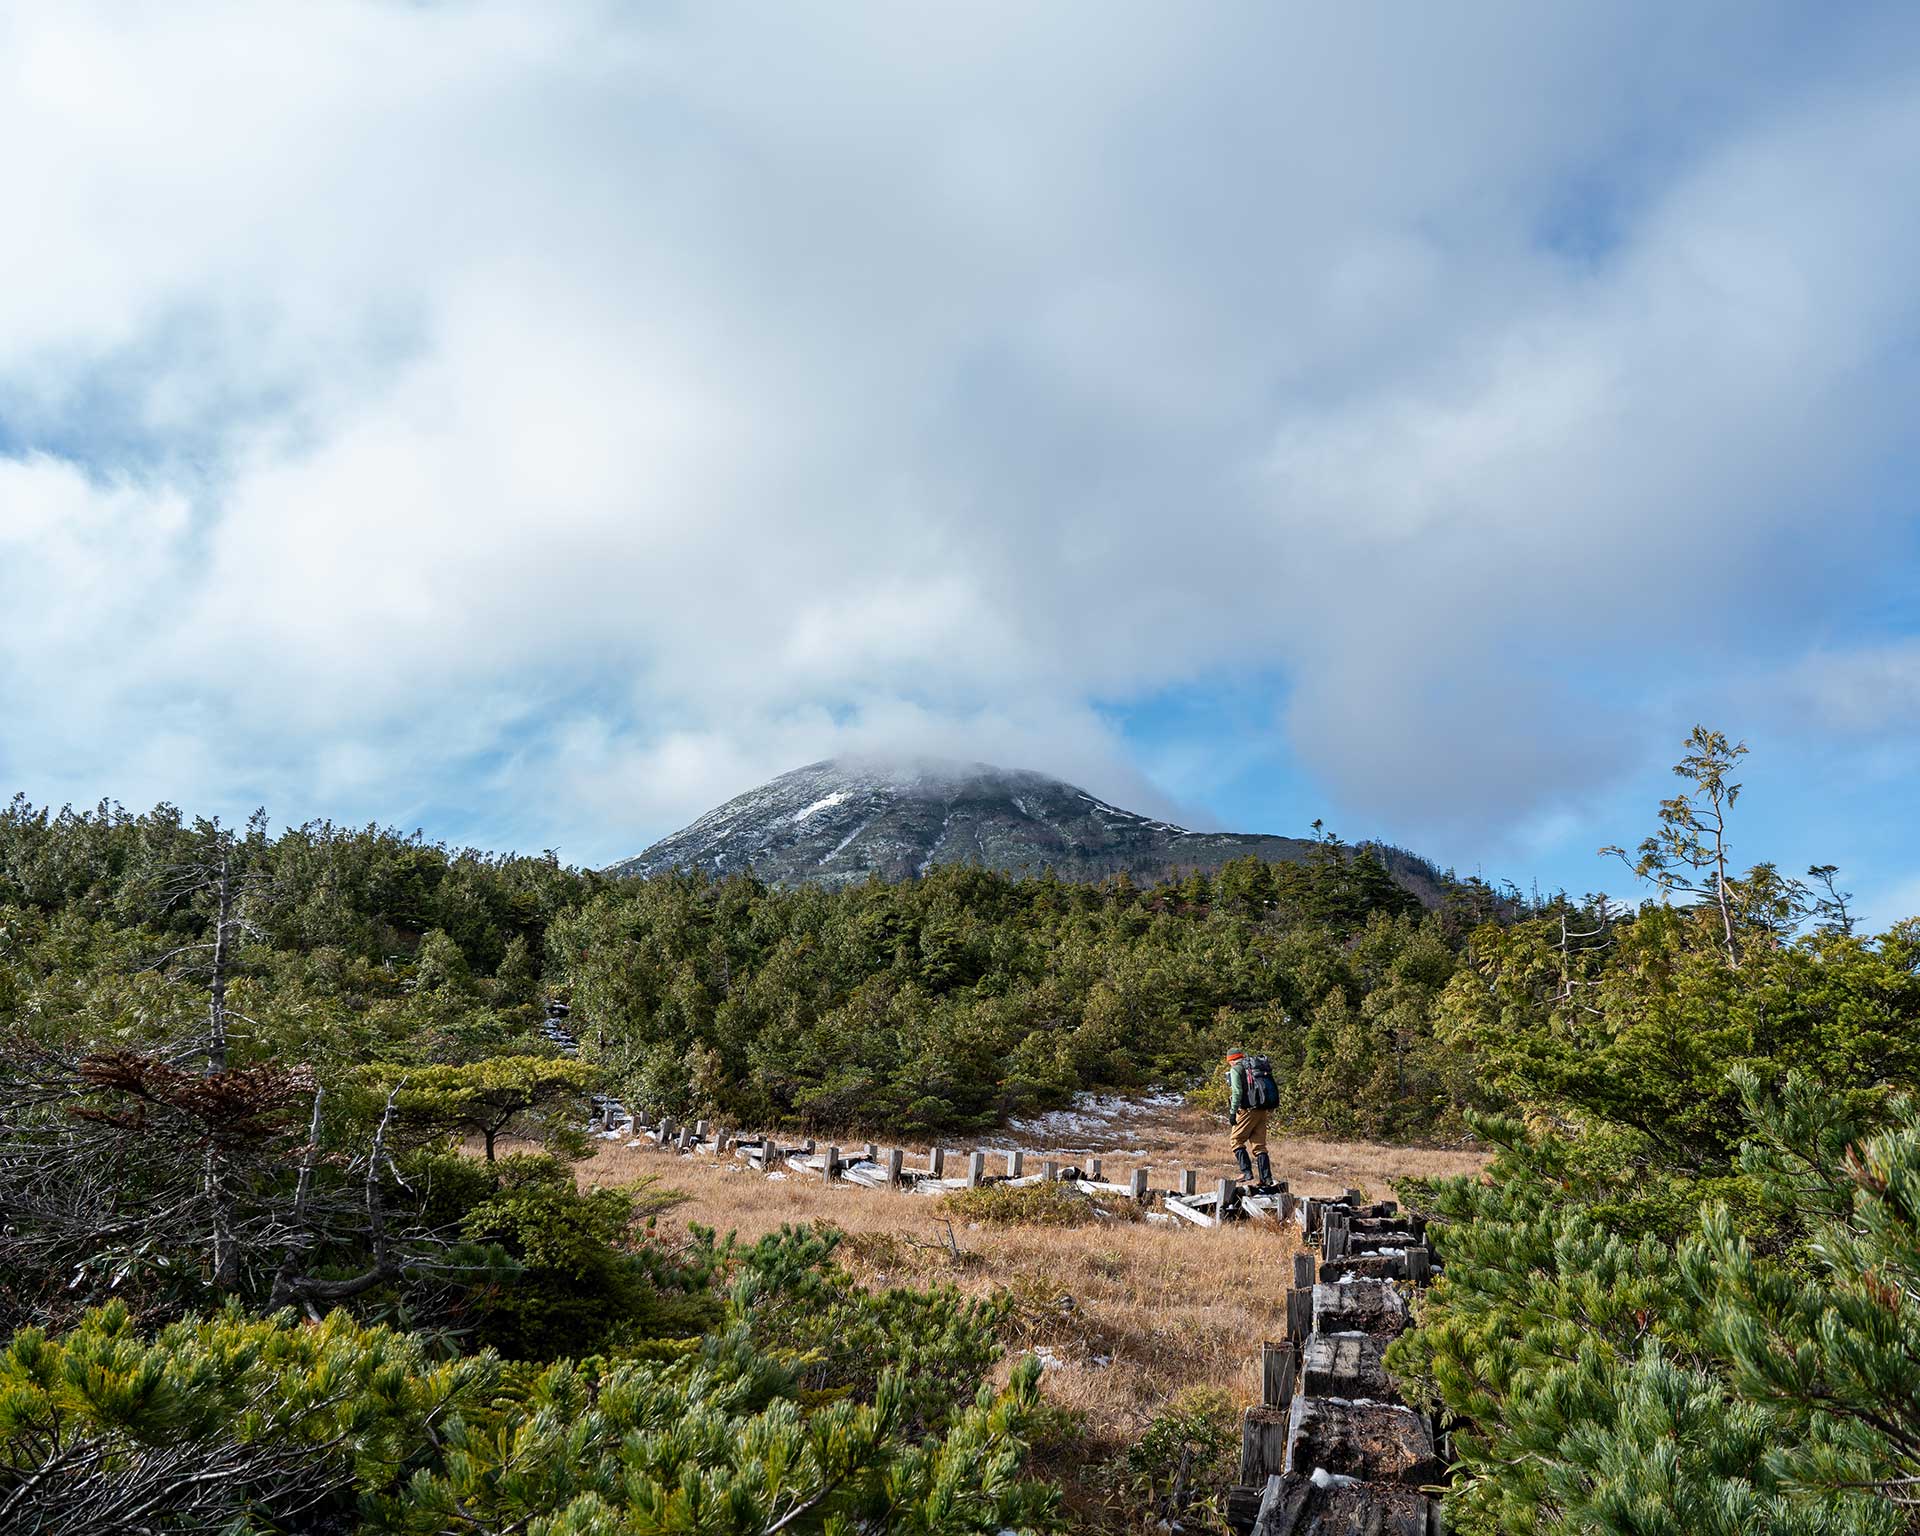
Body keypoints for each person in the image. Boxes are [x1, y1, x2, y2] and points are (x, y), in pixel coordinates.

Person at [1225, 1049, 1275, 1188]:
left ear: (1231, 1059)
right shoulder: (1254, 1067)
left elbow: (1237, 1091)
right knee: (1259, 1146)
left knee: (1236, 1140)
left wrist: (1233, 1111)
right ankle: (1266, 1178)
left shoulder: (1237, 1069)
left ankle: (1246, 1172)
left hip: (1247, 1110)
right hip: (1262, 1110)